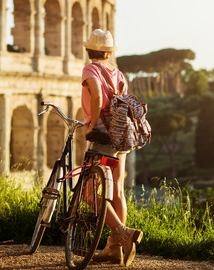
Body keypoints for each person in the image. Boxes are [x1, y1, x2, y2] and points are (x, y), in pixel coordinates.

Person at [80, 29, 143, 267]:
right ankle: (114, 249)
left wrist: (92, 125)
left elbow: (96, 96)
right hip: (122, 137)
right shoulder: (119, 74)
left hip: (104, 139)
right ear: (108, 52)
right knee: (117, 190)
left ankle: (123, 232)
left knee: (88, 192)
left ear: (89, 50)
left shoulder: (90, 69)